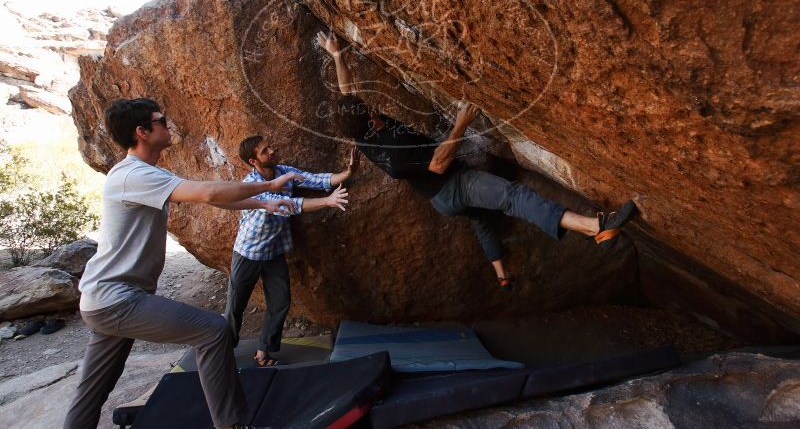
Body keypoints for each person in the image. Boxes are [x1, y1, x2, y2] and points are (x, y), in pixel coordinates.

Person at [316, 31, 637, 290]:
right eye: (366, 108)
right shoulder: (392, 150)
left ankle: (501, 274)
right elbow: (439, 164)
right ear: (370, 120)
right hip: (452, 184)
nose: (366, 104)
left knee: (483, 220)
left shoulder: (362, 133)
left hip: (443, 200)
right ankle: (596, 228)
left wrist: (337, 55)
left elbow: (348, 91)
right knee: (513, 197)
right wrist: (461, 123)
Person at [64, 98, 299, 429]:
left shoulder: (144, 173)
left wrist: (263, 203)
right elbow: (206, 192)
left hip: (105, 299)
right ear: (142, 132)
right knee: (213, 330)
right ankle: (232, 424)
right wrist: (268, 185)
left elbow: (216, 199)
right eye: (161, 120)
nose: (169, 123)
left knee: (93, 389)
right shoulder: (133, 175)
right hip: (117, 299)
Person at [224, 134, 356, 367]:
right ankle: (223, 349)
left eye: (270, 147)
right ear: (254, 161)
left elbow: (313, 179)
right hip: (249, 253)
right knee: (236, 305)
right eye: (265, 151)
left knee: (280, 301)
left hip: (274, 251)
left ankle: (264, 350)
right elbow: (288, 206)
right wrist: (328, 201)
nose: (272, 151)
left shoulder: (283, 171)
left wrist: (345, 174)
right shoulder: (250, 186)